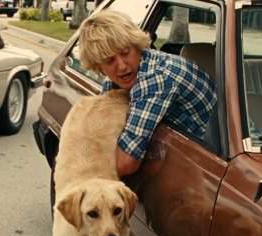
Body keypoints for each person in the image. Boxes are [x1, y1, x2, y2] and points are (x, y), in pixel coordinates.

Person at [77, 10, 217, 176]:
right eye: (109, 60)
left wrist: (77, 169)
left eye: (125, 52)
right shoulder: (116, 80)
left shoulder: (155, 79)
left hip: (216, 162)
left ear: (137, 46)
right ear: (99, 67)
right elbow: (102, 130)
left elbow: (125, 162)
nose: (121, 66)